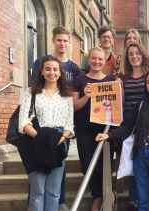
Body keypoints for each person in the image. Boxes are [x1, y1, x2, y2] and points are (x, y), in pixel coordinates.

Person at [96, 70, 149, 211]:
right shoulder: (141, 106)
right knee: (143, 198)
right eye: (148, 82)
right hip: (139, 153)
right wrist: (109, 135)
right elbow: (127, 127)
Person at [28, 26, 80, 211]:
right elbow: (33, 95)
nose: (62, 43)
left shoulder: (74, 68)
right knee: (37, 188)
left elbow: (73, 98)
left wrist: (64, 134)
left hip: (60, 132)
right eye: (59, 40)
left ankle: (60, 203)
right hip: (39, 132)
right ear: (53, 40)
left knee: (56, 183)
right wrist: (39, 136)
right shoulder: (40, 62)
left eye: (66, 40)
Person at [18, 55, 74, 211]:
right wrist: (41, 139)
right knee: (38, 191)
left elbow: (70, 124)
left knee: (54, 192)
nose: (52, 72)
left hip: (59, 142)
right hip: (36, 141)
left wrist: (60, 139)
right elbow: (23, 122)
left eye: (55, 69)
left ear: (60, 72)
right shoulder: (31, 93)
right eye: (48, 69)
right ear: (42, 72)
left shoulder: (66, 95)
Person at [72, 47, 117, 211]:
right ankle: (98, 195)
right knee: (86, 164)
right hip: (84, 129)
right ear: (88, 59)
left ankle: (105, 195)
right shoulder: (79, 80)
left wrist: (120, 89)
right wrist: (87, 96)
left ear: (105, 61)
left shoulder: (112, 80)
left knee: (105, 164)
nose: (97, 62)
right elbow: (75, 106)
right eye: (94, 58)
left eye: (100, 59)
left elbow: (117, 107)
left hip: (105, 130)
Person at [121, 41, 149, 211]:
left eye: (137, 53)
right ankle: (134, 202)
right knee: (133, 165)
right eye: (131, 54)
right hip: (129, 127)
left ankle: (148, 202)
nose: (134, 56)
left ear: (142, 55)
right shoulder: (124, 79)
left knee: (147, 166)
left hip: (148, 127)